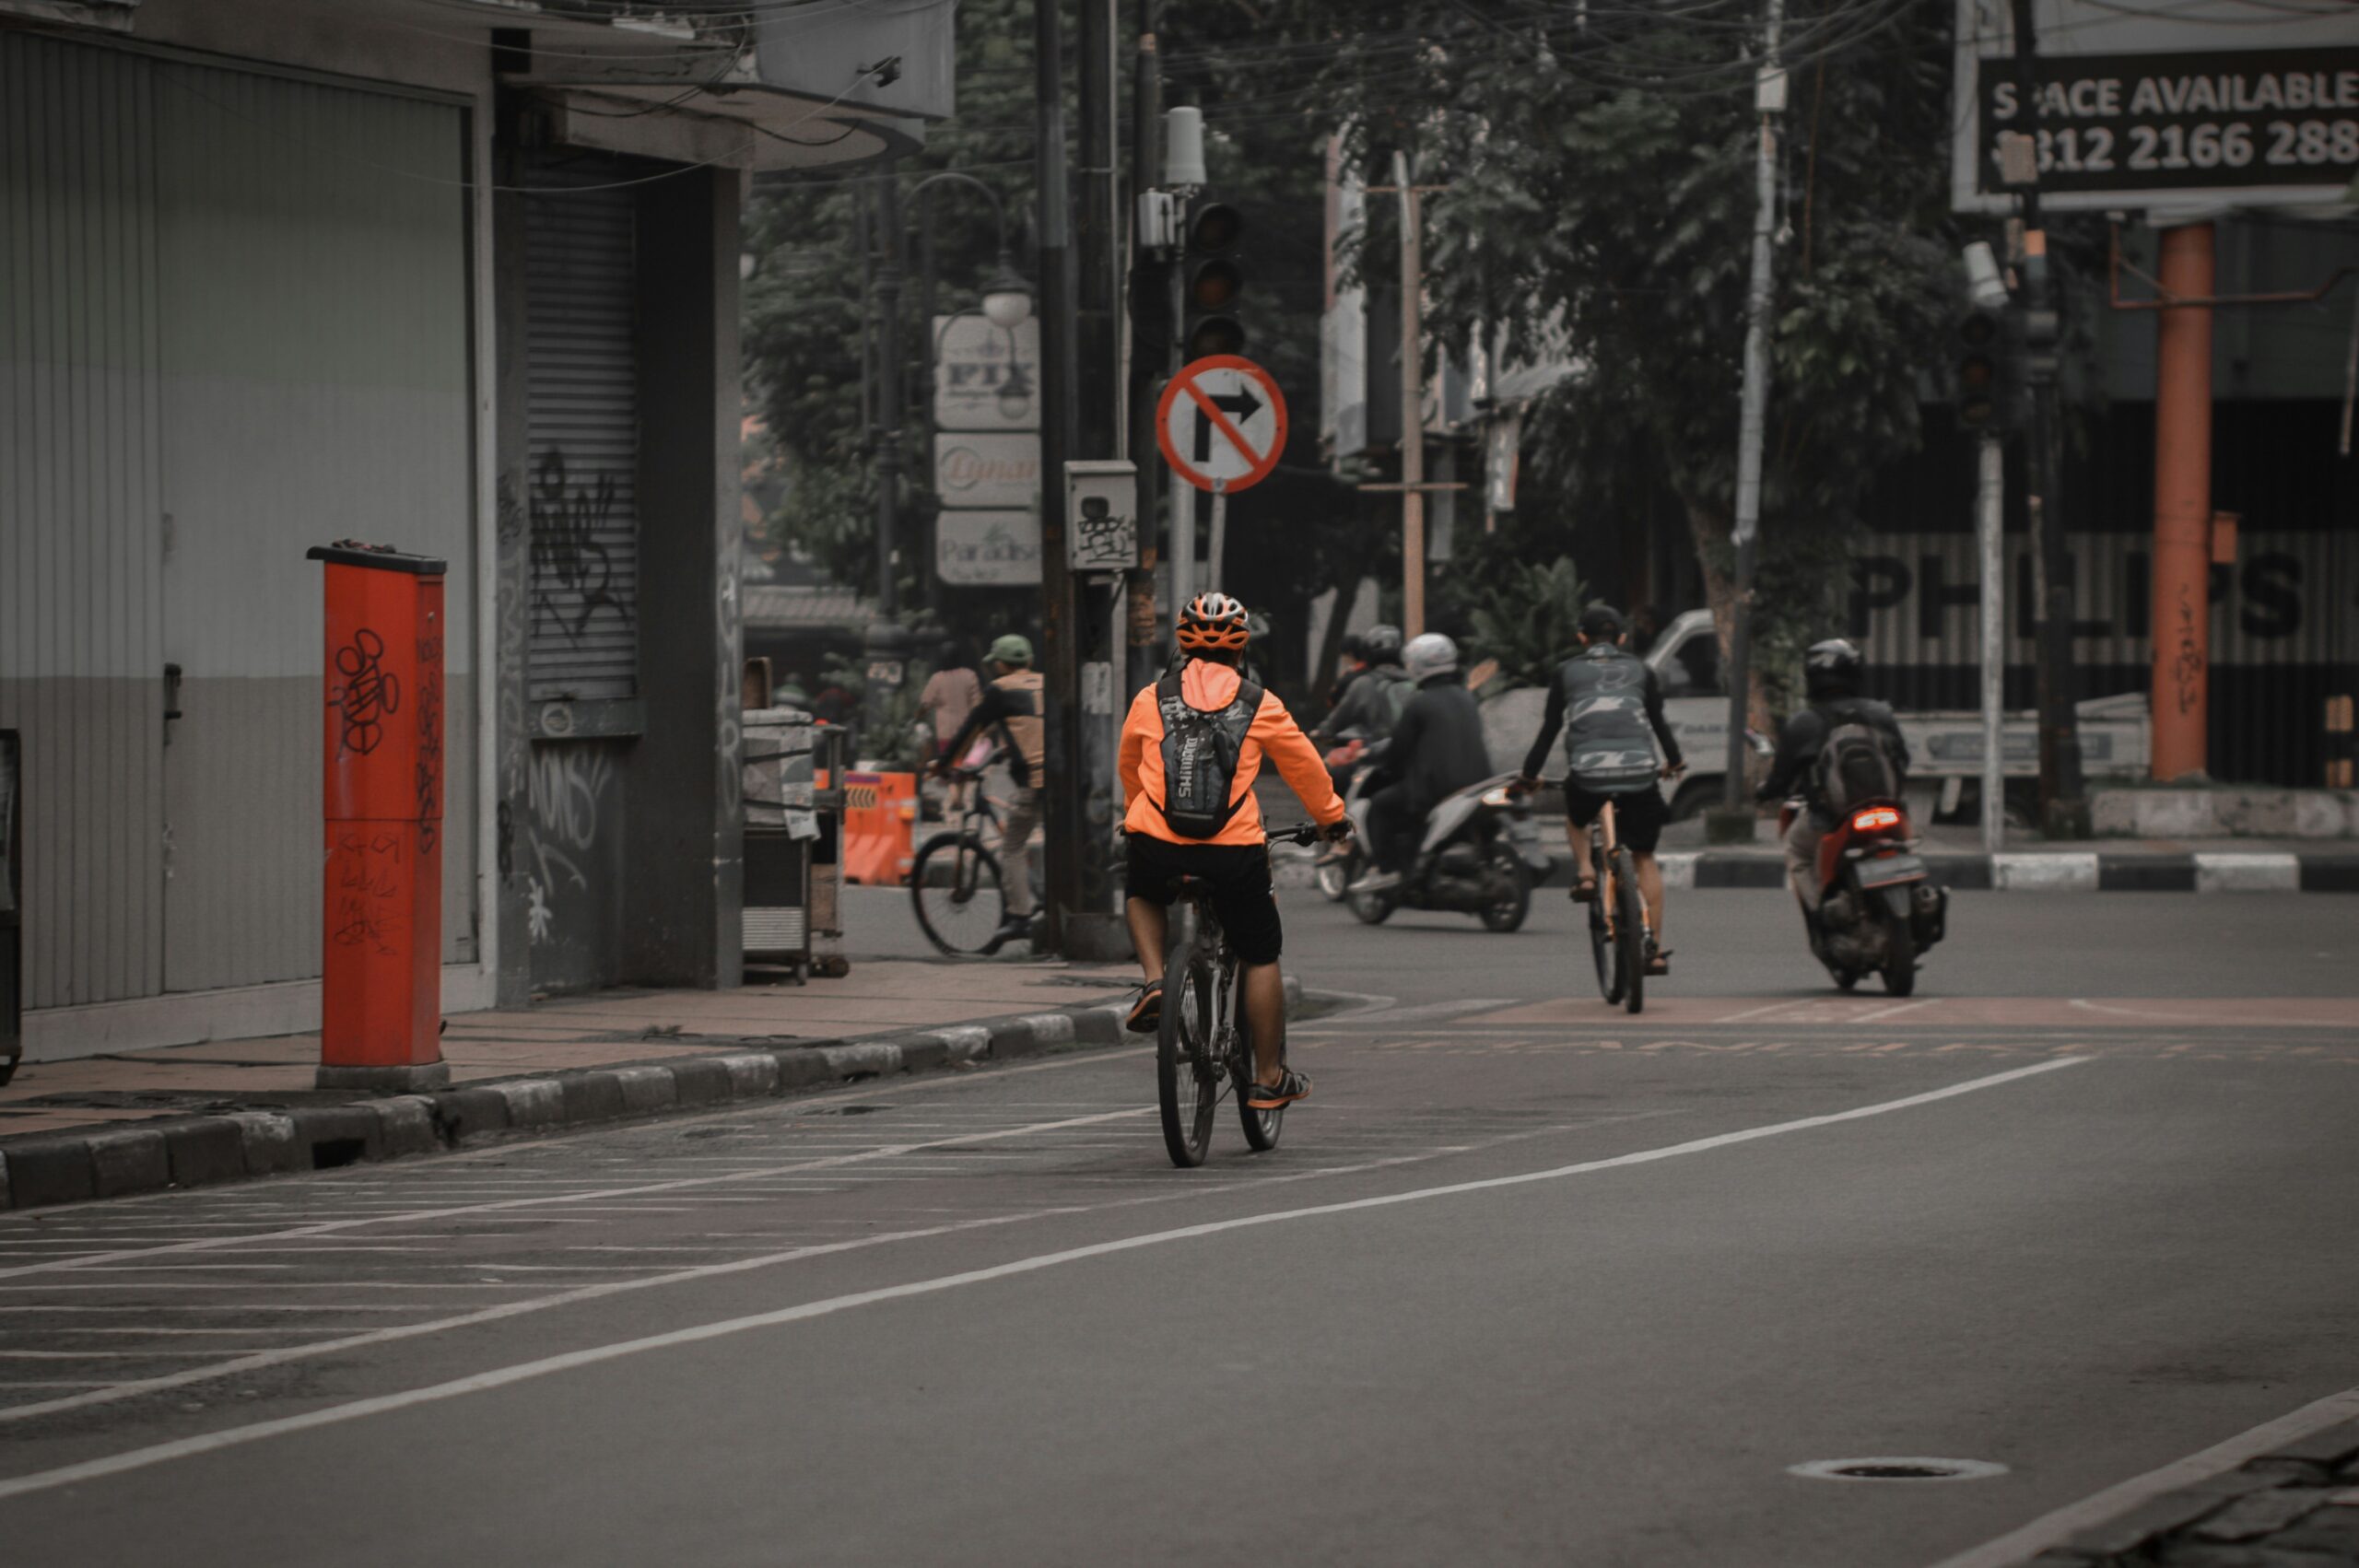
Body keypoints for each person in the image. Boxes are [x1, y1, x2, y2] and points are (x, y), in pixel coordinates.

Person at [1118, 592, 1350, 1110]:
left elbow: (1131, 767)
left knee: (1140, 889)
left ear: (1181, 644)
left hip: (1156, 842)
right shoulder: (1259, 702)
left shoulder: (1149, 698)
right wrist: (1332, 819)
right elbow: (1306, 770)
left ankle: (1156, 982)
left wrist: (1136, 815)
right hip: (1232, 850)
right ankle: (1268, 1076)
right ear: (1241, 650)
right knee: (1260, 951)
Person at [1515, 604, 1685, 975]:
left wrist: (1529, 775)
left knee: (1576, 818)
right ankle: (1653, 949)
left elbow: (1549, 729)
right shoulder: (1642, 670)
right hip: (1640, 773)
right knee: (1643, 857)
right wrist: (1674, 762)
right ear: (1622, 638)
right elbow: (1658, 723)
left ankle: (1586, 874)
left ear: (1581, 638)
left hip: (1588, 775)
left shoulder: (1566, 672)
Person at [1755, 638, 1909, 912]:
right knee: (1908, 844)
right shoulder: (1881, 713)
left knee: (1797, 850)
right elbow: (1903, 760)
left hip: (1832, 819)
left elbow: (1781, 779)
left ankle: (1822, 910)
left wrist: (1764, 791)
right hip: (1890, 812)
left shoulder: (1804, 722)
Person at [1346, 632, 1492, 897]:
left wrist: (1382, 764)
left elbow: (1399, 749)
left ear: (1415, 664)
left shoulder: (1419, 703)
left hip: (1435, 789)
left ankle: (1386, 869)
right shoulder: (1467, 698)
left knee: (1379, 805)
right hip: (1477, 785)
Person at [931, 633, 1045, 953]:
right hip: (1064, 778)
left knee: (1012, 847)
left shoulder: (999, 690)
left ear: (999, 664)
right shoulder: (1045, 682)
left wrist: (942, 765)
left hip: (1034, 779)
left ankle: (1020, 916)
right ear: (1030, 662)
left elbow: (971, 730)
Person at [1312, 624, 1409, 752]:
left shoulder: (1362, 683)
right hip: (1412, 758)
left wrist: (1322, 731)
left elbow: (1336, 718)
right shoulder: (1417, 682)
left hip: (1375, 755)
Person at [915, 640, 981, 762]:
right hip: (965, 733)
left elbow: (925, 704)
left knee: (947, 765)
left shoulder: (937, 679)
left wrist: (917, 717)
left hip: (945, 733)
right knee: (963, 766)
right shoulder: (970, 676)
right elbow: (977, 705)